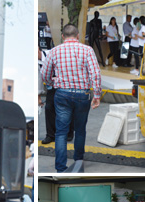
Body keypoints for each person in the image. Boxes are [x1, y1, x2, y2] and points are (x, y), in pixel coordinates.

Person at [41, 24, 102, 173]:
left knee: (61, 132)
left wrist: (50, 84)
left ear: (63, 36)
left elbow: (44, 73)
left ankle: (61, 168)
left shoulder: (54, 51)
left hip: (62, 94)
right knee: (80, 130)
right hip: (83, 95)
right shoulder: (87, 50)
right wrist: (97, 95)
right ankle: (78, 163)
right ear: (78, 36)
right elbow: (95, 74)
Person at [40, 47, 73, 145]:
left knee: (67, 107)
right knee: (49, 107)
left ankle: (69, 133)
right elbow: (39, 77)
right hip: (51, 86)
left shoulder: (52, 53)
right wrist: (38, 95)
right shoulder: (36, 62)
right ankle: (50, 135)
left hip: (65, 84)